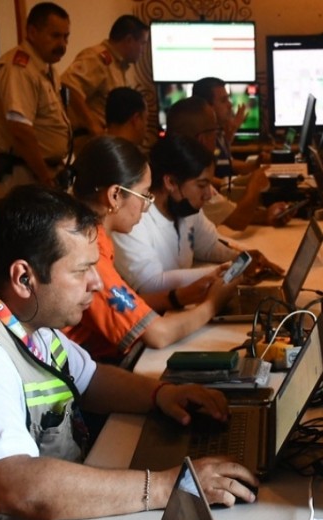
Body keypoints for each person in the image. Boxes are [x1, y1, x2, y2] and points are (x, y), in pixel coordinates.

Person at [0, 186, 258, 520]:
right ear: (24, 277)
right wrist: (164, 487)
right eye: (81, 271)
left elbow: (89, 378)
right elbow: (14, 485)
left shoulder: (21, 315)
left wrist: (160, 394)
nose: (96, 283)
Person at [66, 136, 238, 361]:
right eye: (144, 195)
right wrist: (213, 304)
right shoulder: (88, 255)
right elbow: (159, 334)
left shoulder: (91, 237)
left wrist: (179, 297)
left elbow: (129, 304)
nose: (147, 207)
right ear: (115, 195)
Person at [111, 134, 281, 295]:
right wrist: (230, 271)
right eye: (201, 185)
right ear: (170, 182)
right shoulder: (132, 221)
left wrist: (241, 258)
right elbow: (151, 285)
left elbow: (207, 247)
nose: (208, 194)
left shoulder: (186, 208)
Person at [0, 2, 72, 192]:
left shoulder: (46, 67)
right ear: (32, 32)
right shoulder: (19, 69)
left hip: (42, 172)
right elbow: (20, 129)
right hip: (24, 174)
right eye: (55, 36)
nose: (62, 44)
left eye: (66, 37)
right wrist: (45, 178)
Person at [165, 96, 287, 230]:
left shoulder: (178, 169)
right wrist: (254, 186)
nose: (217, 137)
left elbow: (226, 215)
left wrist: (267, 215)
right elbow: (237, 220)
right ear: (202, 139)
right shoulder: (192, 184)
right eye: (215, 131)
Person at [61, 15, 149, 150]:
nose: (143, 50)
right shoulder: (98, 58)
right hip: (91, 143)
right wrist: (93, 125)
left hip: (104, 144)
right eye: (142, 43)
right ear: (129, 40)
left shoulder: (117, 65)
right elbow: (68, 84)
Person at [192, 76, 263, 177]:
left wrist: (231, 131)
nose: (230, 105)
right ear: (207, 106)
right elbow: (225, 166)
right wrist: (257, 166)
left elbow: (225, 160)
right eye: (223, 100)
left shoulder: (217, 131)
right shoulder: (204, 135)